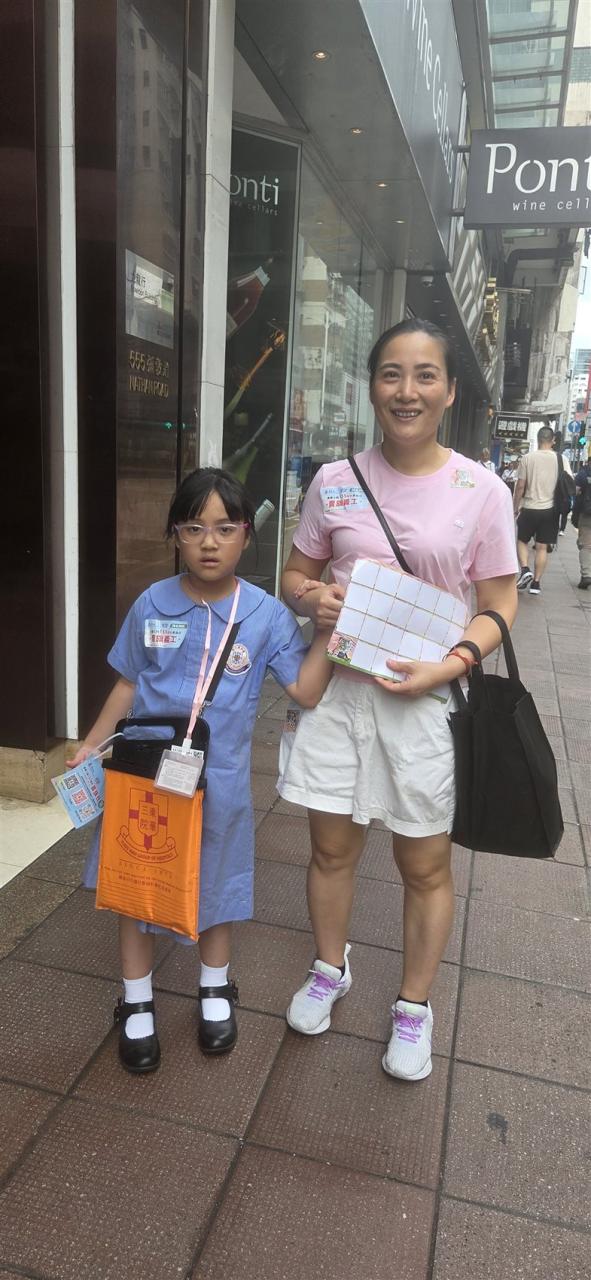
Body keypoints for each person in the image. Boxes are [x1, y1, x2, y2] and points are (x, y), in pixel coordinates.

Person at [278, 318, 518, 1083]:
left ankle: (413, 1007)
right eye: (390, 373)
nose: (405, 390)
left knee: (423, 864)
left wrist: (449, 665)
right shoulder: (333, 480)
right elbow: (293, 575)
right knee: (330, 850)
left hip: (423, 703)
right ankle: (329, 967)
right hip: (337, 699)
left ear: (448, 391)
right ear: (371, 387)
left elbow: (499, 603)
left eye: (423, 375)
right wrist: (310, 598)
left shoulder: (480, 491)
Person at [68, 468, 332, 1074]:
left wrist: (325, 632)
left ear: (246, 535)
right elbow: (128, 682)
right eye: (193, 528)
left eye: (224, 528)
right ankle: (136, 1000)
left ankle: (215, 987)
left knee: (218, 884)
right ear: (175, 535)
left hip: (221, 783)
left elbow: (307, 689)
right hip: (143, 775)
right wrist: (91, 744)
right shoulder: (151, 603)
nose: (209, 542)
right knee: (136, 882)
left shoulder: (265, 615)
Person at [513, 426, 573, 595]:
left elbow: (520, 486)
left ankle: (525, 569)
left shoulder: (527, 458)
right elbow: (569, 482)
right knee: (541, 547)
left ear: (539, 439)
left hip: (529, 507)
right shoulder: (561, 459)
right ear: (553, 440)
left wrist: (515, 506)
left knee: (522, 541)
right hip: (551, 510)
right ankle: (536, 584)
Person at [573, 456, 591, 589]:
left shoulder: (584, 473)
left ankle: (586, 575)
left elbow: (575, 491)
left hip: (587, 514)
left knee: (586, 545)